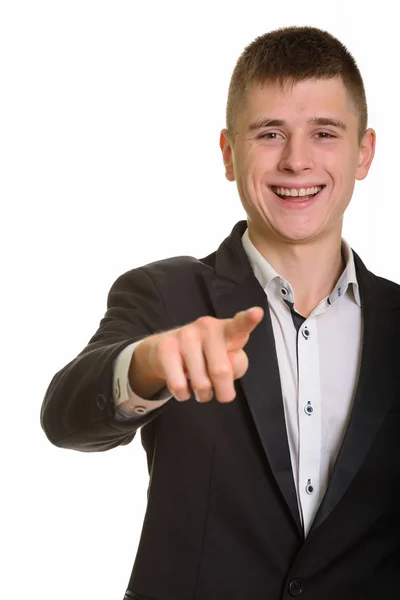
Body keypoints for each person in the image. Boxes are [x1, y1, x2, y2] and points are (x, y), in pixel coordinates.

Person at [40, 25, 400, 599]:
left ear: (365, 153)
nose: (297, 160)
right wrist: (147, 364)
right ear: (230, 155)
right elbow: (65, 418)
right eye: (269, 134)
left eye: (325, 133)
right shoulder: (165, 295)